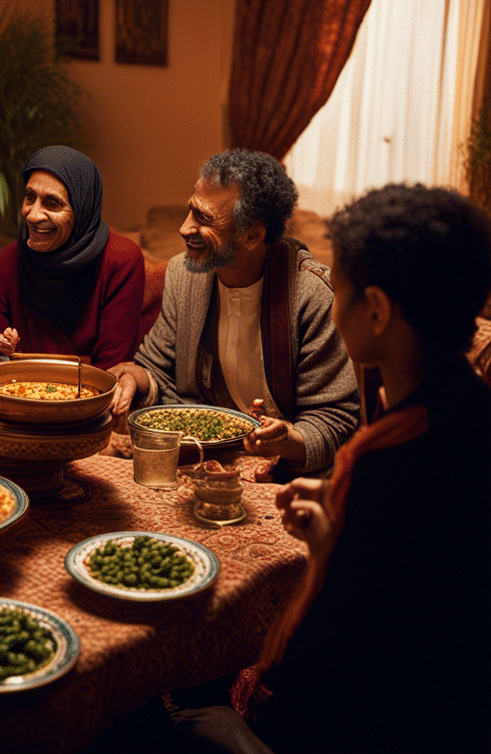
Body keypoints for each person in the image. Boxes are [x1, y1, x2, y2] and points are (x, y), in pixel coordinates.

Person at [164, 184, 491, 753]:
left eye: (337, 287)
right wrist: (337, 525)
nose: (328, 301)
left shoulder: (381, 460)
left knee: (164, 713)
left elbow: (311, 646)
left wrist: (252, 683)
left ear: (377, 311)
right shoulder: (469, 413)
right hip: (454, 713)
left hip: (358, 726)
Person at [110, 150, 359, 474]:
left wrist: (285, 440)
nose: (185, 228)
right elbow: (156, 371)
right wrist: (133, 379)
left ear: (253, 235)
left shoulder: (310, 296)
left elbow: (334, 419)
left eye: (204, 218)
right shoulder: (184, 276)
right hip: (198, 459)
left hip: (285, 471)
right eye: (190, 211)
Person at [0, 145, 144, 387]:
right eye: (29, 197)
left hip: (88, 408)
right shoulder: (8, 260)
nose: (32, 215)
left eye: (52, 203)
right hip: (19, 398)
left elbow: (111, 372)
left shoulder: (120, 260)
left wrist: (16, 368)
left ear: (82, 209)